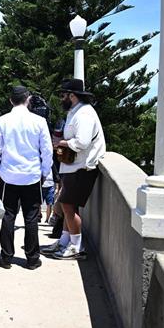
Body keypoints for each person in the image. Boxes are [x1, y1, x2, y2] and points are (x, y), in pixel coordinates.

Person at [0, 86, 53, 270]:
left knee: (8, 216)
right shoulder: (39, 121)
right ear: (28, 99)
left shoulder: (1, 121)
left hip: (8, 176)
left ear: (10, 100)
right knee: (31, 218)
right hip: (32, 175)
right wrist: (45, 172)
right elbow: (47, 150)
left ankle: (6, 257)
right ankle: (32, 259)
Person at [43, 78, 106, 260]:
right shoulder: (75, 112)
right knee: (66, 205)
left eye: (63, 95)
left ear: (72, 95)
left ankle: (76, 246)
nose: (61, 99)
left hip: (82, 168)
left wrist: (59, 142)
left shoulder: (84, 114)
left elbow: (82, 142)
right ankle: (64, 242)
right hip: (73, 167)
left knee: (69, 206)